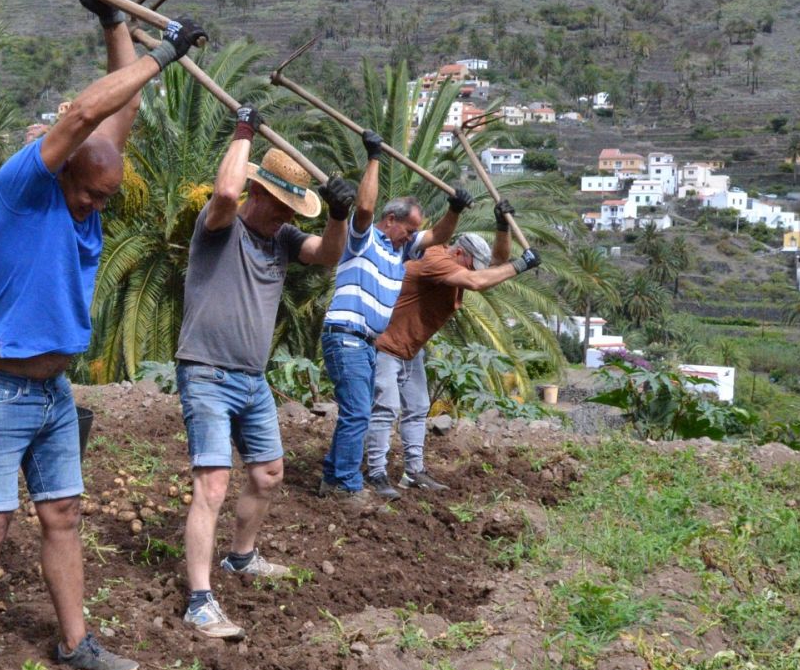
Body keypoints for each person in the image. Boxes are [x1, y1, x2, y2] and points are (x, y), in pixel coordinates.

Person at [0, 0, 206, 670]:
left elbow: (119, 117)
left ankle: (76, 640)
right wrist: (165, 55)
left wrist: (114, 25)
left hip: (54, 394)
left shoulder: (92, 186)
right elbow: (86, 113)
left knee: (63, 518)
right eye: (89, 193)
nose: (94, 206)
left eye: (105, 199)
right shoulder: (26, 185)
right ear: (65, 172)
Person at [175, 105, 352, 640]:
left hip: (252, 381)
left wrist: (338, 215)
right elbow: (225, 193)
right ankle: (199, 601)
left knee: (268, 473)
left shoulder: (284, 240)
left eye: (291, 210)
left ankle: (241, 556)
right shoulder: (219, 227)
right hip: (206, 372)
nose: (284, 218)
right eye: (279, 206)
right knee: (212, 484)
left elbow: (328, 254)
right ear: (258, 192)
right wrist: (243, 132)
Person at [318, 133, 474, 501]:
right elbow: (365, 208)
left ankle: (332, 479)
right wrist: (374, 157)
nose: (411, 237)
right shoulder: (363, 239)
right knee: (359, 412)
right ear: (391, 220)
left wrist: (454, 209)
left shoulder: (400, 252)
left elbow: (437, 235)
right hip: (346, 335)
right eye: (408, 230)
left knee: (356, 411)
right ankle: (347, 485)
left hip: (366, 342)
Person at [368, 201, 540, 494]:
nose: (474, 271)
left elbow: (496, 265)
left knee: (418, 407)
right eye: (471, 265)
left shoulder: (458, 263)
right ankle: (375, 473)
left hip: (410, 349)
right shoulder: (435, 260)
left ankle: (414, 472)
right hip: (386, 345)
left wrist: (502, 226)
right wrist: (521, 265)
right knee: (386, 409)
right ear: (459, 253)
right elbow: (476, 281)